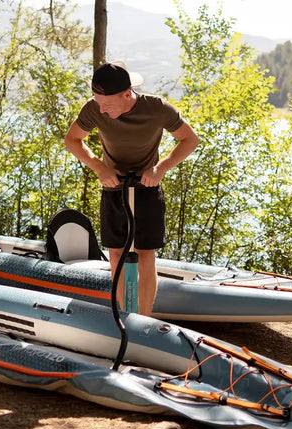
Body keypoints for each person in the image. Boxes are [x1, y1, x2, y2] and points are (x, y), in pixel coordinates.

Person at [64, 62, 199, 317]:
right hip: (113, 185)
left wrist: (161, 168)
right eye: (98, 102)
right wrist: (99, 168)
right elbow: (72, 140)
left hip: (148, 186)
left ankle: (143, 321)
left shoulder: (156, 108)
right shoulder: (95, 108)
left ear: (127, 94)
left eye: (108, 104)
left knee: (146, 255)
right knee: (115, 254)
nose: (102, 109)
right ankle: (123, 315)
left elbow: (190, 139)